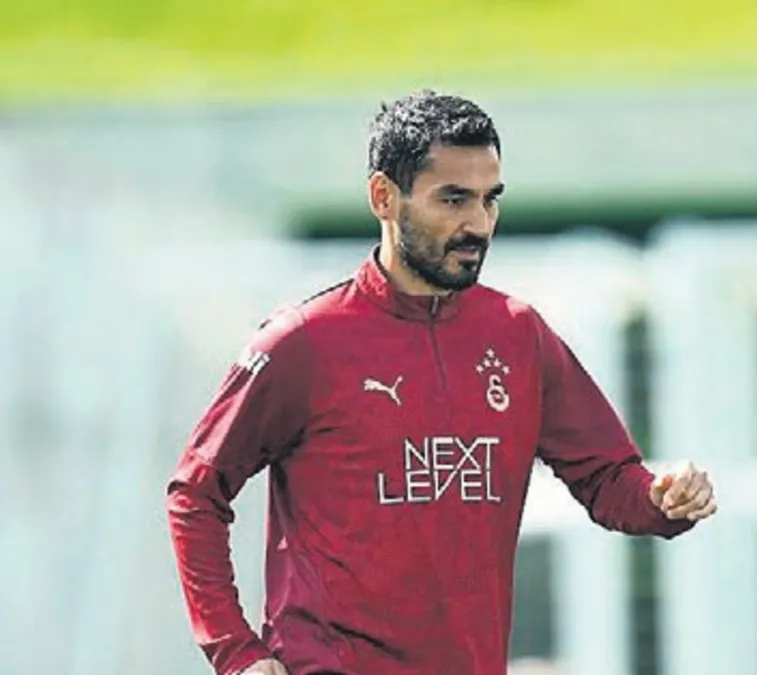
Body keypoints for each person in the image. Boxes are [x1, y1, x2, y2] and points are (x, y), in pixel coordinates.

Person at [166, 90, 717, 675]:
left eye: (489, 200)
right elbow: (196, 494)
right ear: (383, 197)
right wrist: (236, 652)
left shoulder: (520, 336)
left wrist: (663, 499)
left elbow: (608, 480)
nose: (477, 224)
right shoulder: (302, 341)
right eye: (453, 199)